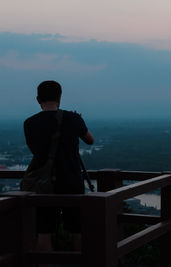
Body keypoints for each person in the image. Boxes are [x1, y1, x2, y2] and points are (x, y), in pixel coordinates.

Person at [23, 80, 94, 258]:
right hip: (71, 181)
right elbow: (90, 140)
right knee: (77, 230)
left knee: (44, 232)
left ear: (38, 99)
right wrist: (76, 123)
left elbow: (35, 152)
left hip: (44, 185)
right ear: (60, 97)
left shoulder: (29, 123)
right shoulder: (73, 118)